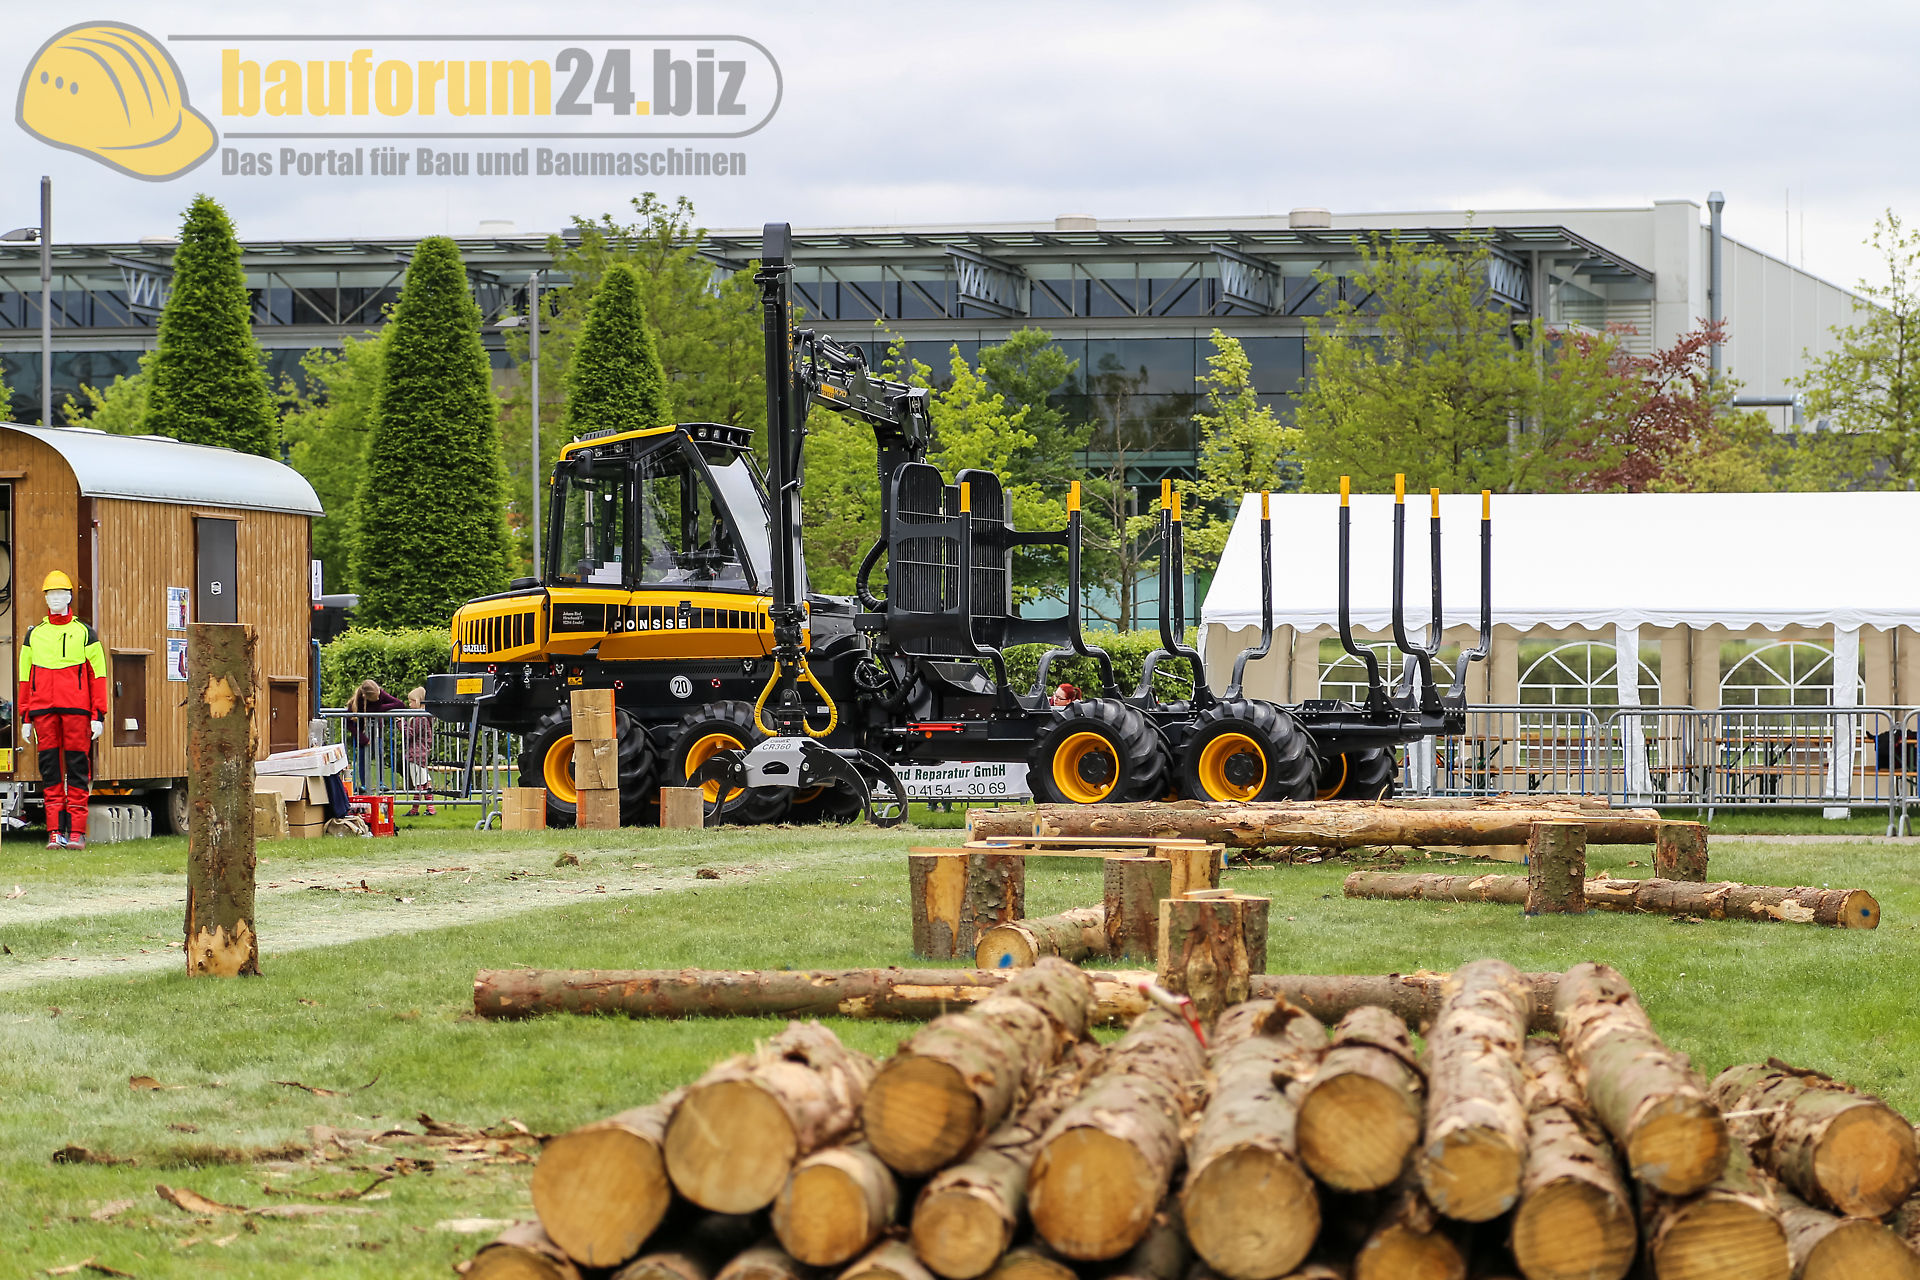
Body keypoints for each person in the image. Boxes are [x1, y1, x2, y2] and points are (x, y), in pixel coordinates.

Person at [18, 570, 106, 850]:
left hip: (77, 711)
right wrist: (25, 716)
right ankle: (55, 832)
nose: (55, 598)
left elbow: (98, 676)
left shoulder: (85, 633)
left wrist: (98, 714)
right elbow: (24, 679)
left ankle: (77, 833)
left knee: (78, 768)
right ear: (45, 598)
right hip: (43, 712)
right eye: (51, 594)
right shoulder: (34, 635)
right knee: (50, 771)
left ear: (69, 597)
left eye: (60, 593)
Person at [344, 679, 403, 792]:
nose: (378, 698)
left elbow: (400, 704)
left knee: (379, 754)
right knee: (362, 757)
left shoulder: (380, 693)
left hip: (376, 731)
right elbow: (348, 723)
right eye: (375, 696)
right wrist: (362, 738)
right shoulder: (356, 703)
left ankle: (380, 782)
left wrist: (378, 710)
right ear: (365, 696)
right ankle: (364, 784)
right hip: (362, 733)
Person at [402, 686, 436, 817]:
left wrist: (401, 724)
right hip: (421, 753)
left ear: (418, 701)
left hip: (416, 754)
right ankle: (425, 808)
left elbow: (409, 734)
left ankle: (421, 809)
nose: (409, 705)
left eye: (411, 701)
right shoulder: (424, 717)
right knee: (423, 782)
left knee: (420, 784)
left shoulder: (419, 718)